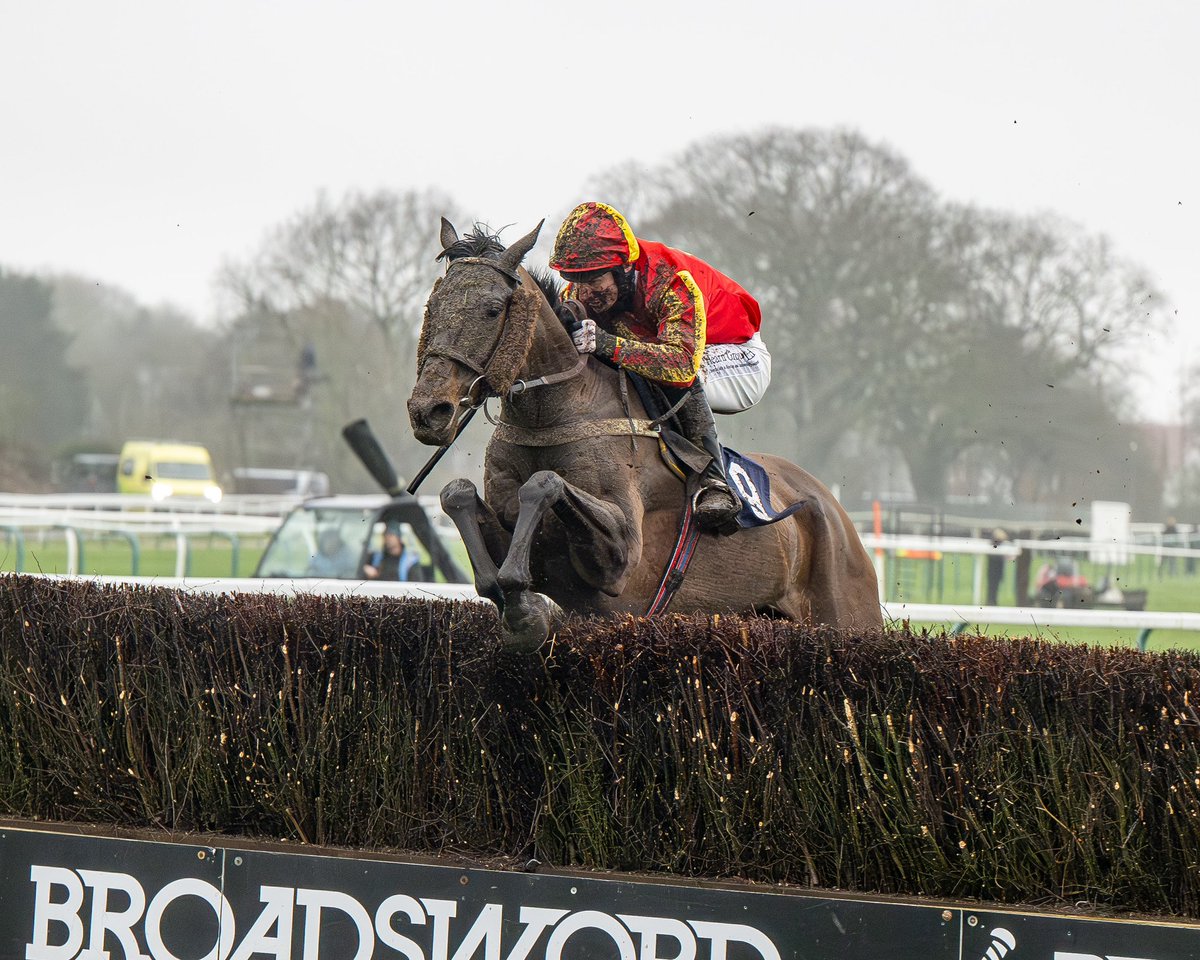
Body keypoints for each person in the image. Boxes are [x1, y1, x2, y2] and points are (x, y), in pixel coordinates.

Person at [549, 201, 771, 533]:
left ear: (623, 267)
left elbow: (679, 365)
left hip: (735, 357)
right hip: (668, 348)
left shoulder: (669, 281)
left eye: (593, 279)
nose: (583, 291)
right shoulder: (582, 291)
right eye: (574, 278)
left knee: (663, 373)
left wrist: (607, 344)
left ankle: (712, 482)